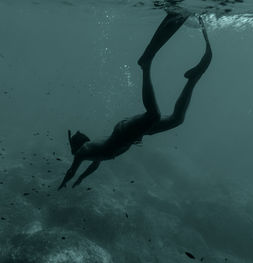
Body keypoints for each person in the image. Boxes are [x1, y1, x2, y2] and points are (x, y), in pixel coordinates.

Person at [58, 13, 212, 190]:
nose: (72, 153)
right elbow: (94, 165)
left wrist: (65, 182)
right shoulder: (92, 155)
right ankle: (193, 79)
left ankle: (145, 65)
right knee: (176, 120)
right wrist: (81, 180)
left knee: (154, 115)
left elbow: (71, 170)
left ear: (75, 148)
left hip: (125, 132)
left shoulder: (82, 152)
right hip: (131, 134)